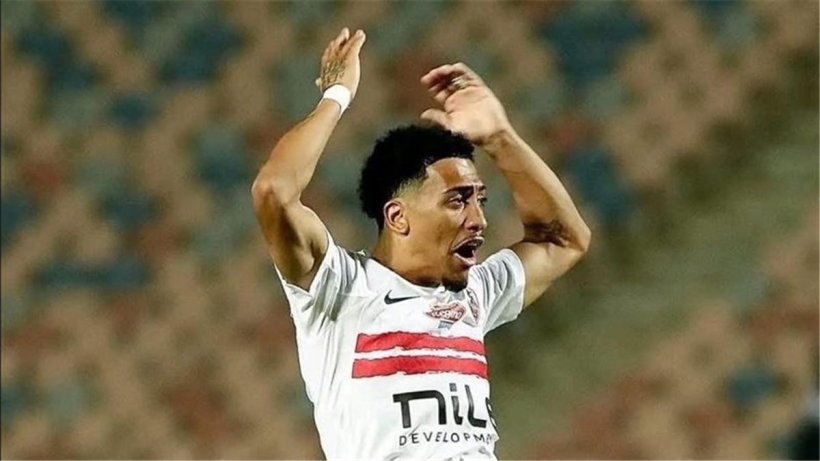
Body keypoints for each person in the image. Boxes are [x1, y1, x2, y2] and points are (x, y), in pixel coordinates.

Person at [252, 27, 591, 460]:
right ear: (397, 217)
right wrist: (337, 95)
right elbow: (274, 192)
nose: (479, 219)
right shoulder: (338, 289)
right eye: (458, 200)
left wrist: (499, 138)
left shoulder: (475, 294)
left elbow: (564, 239)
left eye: (480, 200)